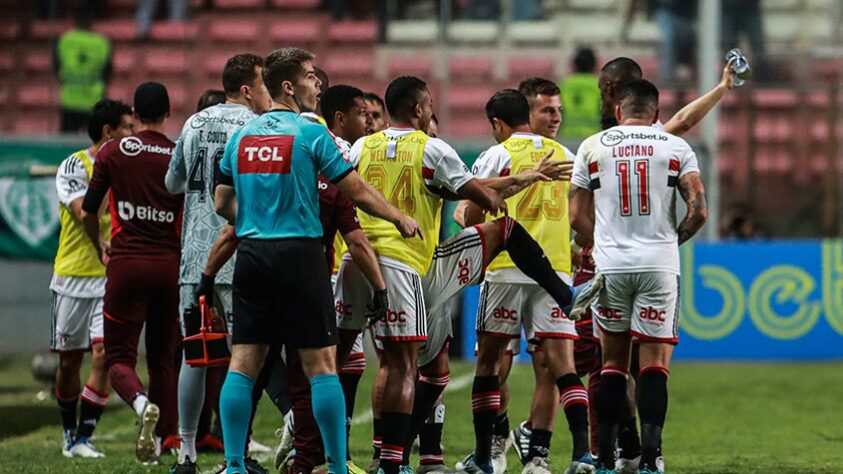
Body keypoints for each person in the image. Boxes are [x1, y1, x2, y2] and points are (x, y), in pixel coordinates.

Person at [339, 76, 576, 474]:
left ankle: (319, 450)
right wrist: (517, 183)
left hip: (355, 259)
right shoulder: (432, 149)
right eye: (429, 105)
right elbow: (477, 195)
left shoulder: (364, 145)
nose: (433, 112)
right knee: (403, 365)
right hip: (408, 265)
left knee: (339, 362)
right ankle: (392, 462)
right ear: (418, 109)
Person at [213, 47, 419, 474]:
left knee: (244, 362)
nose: (317, 84)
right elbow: (356, 190)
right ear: (288, 86)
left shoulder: (243, 137)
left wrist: (255, 216)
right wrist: (398, 216)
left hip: (251, 254)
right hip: (300, 255)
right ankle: (337, 467)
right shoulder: (310, 135)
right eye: (310, 77)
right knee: (322, 365)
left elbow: (221, 203)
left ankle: (234, 465)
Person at [591, 56, 736, 473]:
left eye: (609, 85)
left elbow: (684, 120)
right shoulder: (651, 140)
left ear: (623, 94)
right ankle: (637, 449)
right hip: (651, 260)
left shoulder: (609, 142)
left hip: (609, 258)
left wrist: (722, 89)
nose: (604, 91)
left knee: (617, 364)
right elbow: (697, 199)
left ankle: (623, 449)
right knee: (634, 365)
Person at [569, 79, 708, 474]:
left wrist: (603, 243)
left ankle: (608, 460)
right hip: (659, 266)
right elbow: (698, 210)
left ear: (617, 111)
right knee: (653, 366)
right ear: (657, 114)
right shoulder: (676, 147)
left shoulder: (592, 147)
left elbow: (577, 216)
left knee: (611, 363)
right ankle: (650, 460)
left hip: (611, 267)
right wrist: (670, 241)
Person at [458, 89, 592, 474]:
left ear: (497, 123)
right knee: (561, 365)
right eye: (548, 110)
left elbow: (469, 209)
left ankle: (485, 457)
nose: (555, 117)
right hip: (555, 272)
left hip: (504, 268)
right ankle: (573, 455)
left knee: (489, 364)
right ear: (528, 112)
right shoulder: (568, 157)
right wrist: (581, 245)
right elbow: (581, 215)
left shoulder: (499, 154)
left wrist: (470, 223)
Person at [164, 53, 270, 474]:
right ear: (247, 88)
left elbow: (172, 182)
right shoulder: (255, 128)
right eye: (263, 84)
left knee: (194, 356)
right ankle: (236, 456)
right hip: (242, 253)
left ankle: (186, 454)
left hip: (195, 257)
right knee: (241, 358)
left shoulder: (193, 123)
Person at [81, 82, 182, 464]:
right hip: (169, 266)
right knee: (163, 360)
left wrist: (99, 245)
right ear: (168, 112)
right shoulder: (176, 154)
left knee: (118, 356)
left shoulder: (113, 151)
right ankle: (160, 444)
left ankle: (141, 406)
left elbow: (91, 210)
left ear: (135, 114)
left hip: (126, 263)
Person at [51, 98, 133, 459]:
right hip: (72, 276)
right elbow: (84, 210)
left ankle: (84, 437)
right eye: (127, 128)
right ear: (108, 131)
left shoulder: (128, 166)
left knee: (102, 356)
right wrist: (110, 177)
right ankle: (68, 430)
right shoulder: (74, 165)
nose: (133, 134)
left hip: (110, 277)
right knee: (69, 362)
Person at [53, 11, 112, 133]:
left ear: (75, 21)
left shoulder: (65, 39)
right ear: (91, 23)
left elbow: (56, 66)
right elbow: (107, 72)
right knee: (94, 143)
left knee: (65, 143)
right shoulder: (101, 42)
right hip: (93, 99)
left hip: (69, 98)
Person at [560, 48, 601, 140]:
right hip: (592, 138)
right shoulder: (599, 86)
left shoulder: (564, 85)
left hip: (566, 137)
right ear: (595, 65)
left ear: (574, 65)